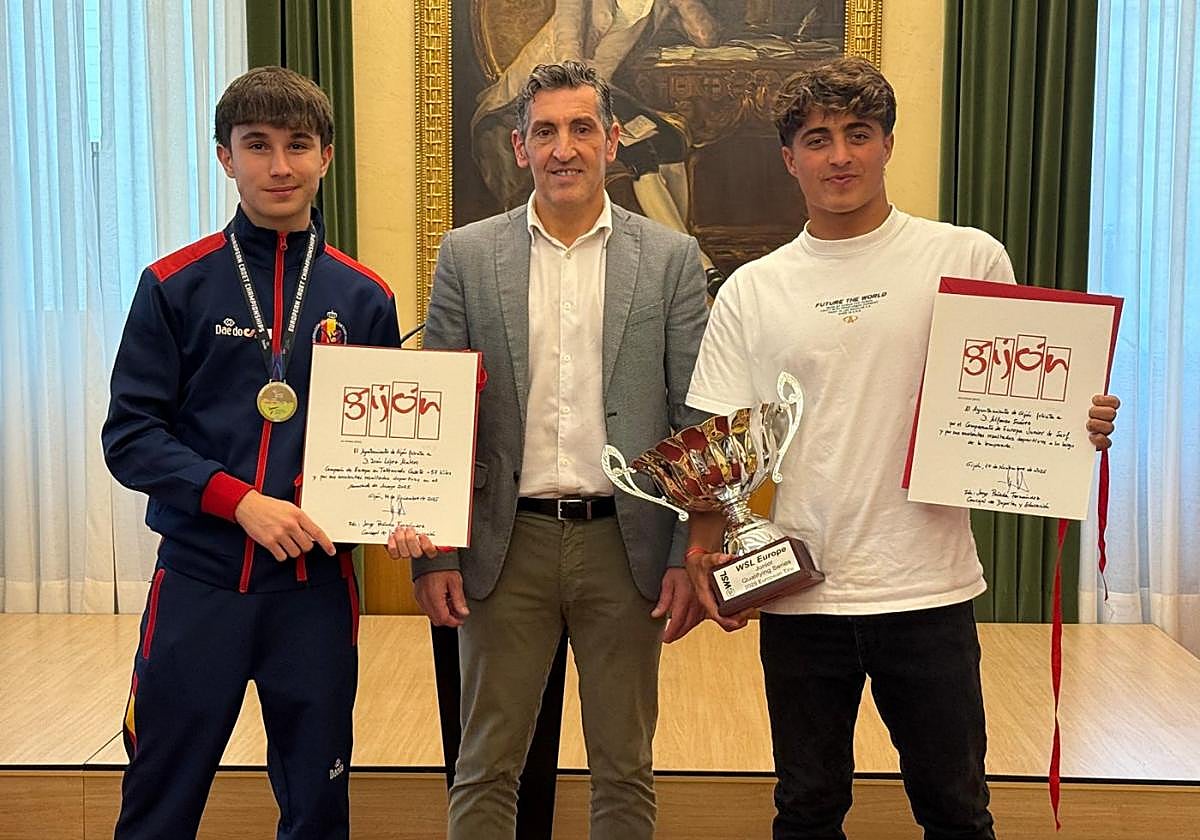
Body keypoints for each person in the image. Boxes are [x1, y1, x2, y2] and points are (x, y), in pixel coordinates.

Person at [681, 56, 1120, 840]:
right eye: (818, 140)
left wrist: (1071, 425)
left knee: (955, 810)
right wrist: (700, 552)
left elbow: (1021, 397)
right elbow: (725, 442)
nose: (839, 155)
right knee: (807, 810)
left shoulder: (967, 257)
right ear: (791, 159)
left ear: (887, 145)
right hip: (798, 592)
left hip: (929, 590)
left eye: (859, 134)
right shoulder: (752, 287)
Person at [388, 59, 709, 839]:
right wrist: (435, 557)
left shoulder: (670, 259)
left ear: (613, 139)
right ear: (520, 145)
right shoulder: (467, 254)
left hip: (626, 545)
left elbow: (691, 414)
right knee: (486, 764)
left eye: (581, 128)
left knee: (624, 768)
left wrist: (683, 548)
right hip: (506, 543)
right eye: (545, 132)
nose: (564, 148)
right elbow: (441, 408)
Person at [102, 66, 402, 839]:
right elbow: (131, 437)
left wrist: (400, 512)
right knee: (159, 802)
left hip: (314, 595)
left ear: (325, 156)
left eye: (297, 145)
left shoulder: (364, 297)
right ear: (223, 156)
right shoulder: (174, 286)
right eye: (257, 145)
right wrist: (240, 501)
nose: (279, 165)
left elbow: (382, 447)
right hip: (199, 584)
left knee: (317, 808)